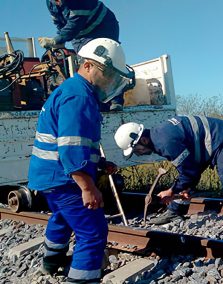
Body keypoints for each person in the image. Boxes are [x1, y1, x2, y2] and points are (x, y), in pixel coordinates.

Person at [27, 38, 134, 283]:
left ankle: (51, 262)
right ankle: (82, 279)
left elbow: (75, 144)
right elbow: (70, 149)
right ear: (87, 66)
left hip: (49, 176)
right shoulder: (79, 96)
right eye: (106, 74)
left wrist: (97, 165)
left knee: (62, 217)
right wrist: (88, 187)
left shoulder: (72, 91)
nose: (108, 82)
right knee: (93, 232)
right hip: (63, 178)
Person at [114, 116, 223, 243]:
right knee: (187, 175)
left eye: (136, 150)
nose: (138, 154)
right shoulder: (158, 135)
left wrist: (171, 191)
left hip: (221, 137)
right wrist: (179, 189)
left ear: (144, 140)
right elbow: (187, 169)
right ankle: (176, 210)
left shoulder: (164, 143)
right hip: (204, 144)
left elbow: (189, 173)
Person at [38, 0, 125, 111]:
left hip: (102, 26)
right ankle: (96, 101)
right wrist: (61, 37)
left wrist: (57, 40)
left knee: (104, 61)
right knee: (86, 66)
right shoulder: (49, 2)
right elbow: (58, 22)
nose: (58, 2)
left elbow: (75, 23)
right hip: (80, 34)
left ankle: (115, 100)